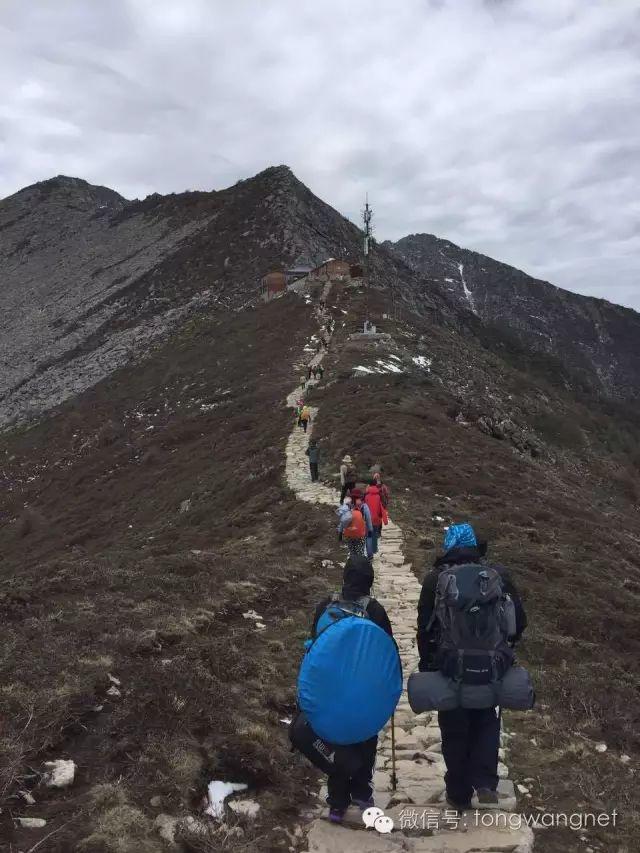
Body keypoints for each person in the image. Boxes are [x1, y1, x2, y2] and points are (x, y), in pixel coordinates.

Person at [416, 523, 527, 811]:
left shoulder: (435, 579)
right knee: (486, 721)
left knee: (454, 728)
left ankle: (459, 793)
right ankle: (486, 783)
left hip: (450, 666)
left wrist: (428, 664)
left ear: (449, 545)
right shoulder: (495, 577)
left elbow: (424, 629)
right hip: (491, 666)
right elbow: (519, 623)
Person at [311, 556, 393, 822]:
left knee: (336, 739)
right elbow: (386, 650)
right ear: (370, 582)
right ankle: (361, 790)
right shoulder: (376, 610)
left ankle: (336, 802)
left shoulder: (327, 605)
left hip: (332, 687)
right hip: (363, 688)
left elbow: (314, 645)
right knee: (365, 737)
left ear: (345, 578)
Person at [364, 480, 384, 556]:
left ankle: (369, 553)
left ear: (369, 485)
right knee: (374, 533)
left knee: (368, 536)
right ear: (376, 485)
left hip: (368, 518)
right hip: (376, 518)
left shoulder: (366, 496)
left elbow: (364, 508)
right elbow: (380, 508)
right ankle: (374, 549)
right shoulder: (379, 496)